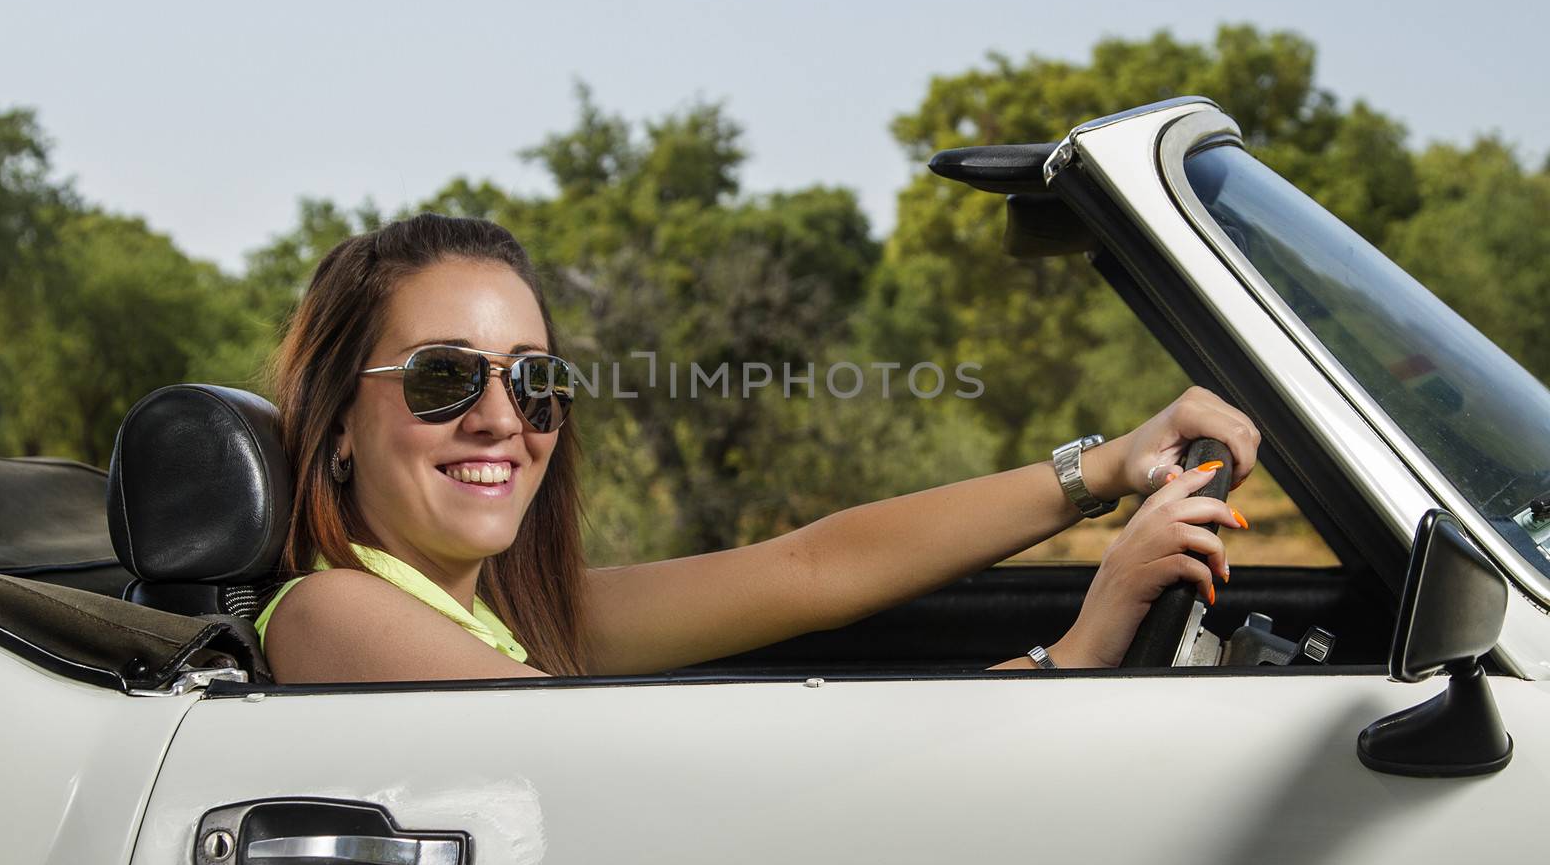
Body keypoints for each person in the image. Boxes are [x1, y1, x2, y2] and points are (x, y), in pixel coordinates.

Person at [257, 213, 1257, 682]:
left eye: (537, 379)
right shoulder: (335, 611)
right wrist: (1070, 656)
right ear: (338, 419)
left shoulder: (520, 614)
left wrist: (1107, 465)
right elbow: (666, 778)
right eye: (443, 376)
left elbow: (812, 565)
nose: (500, 418)